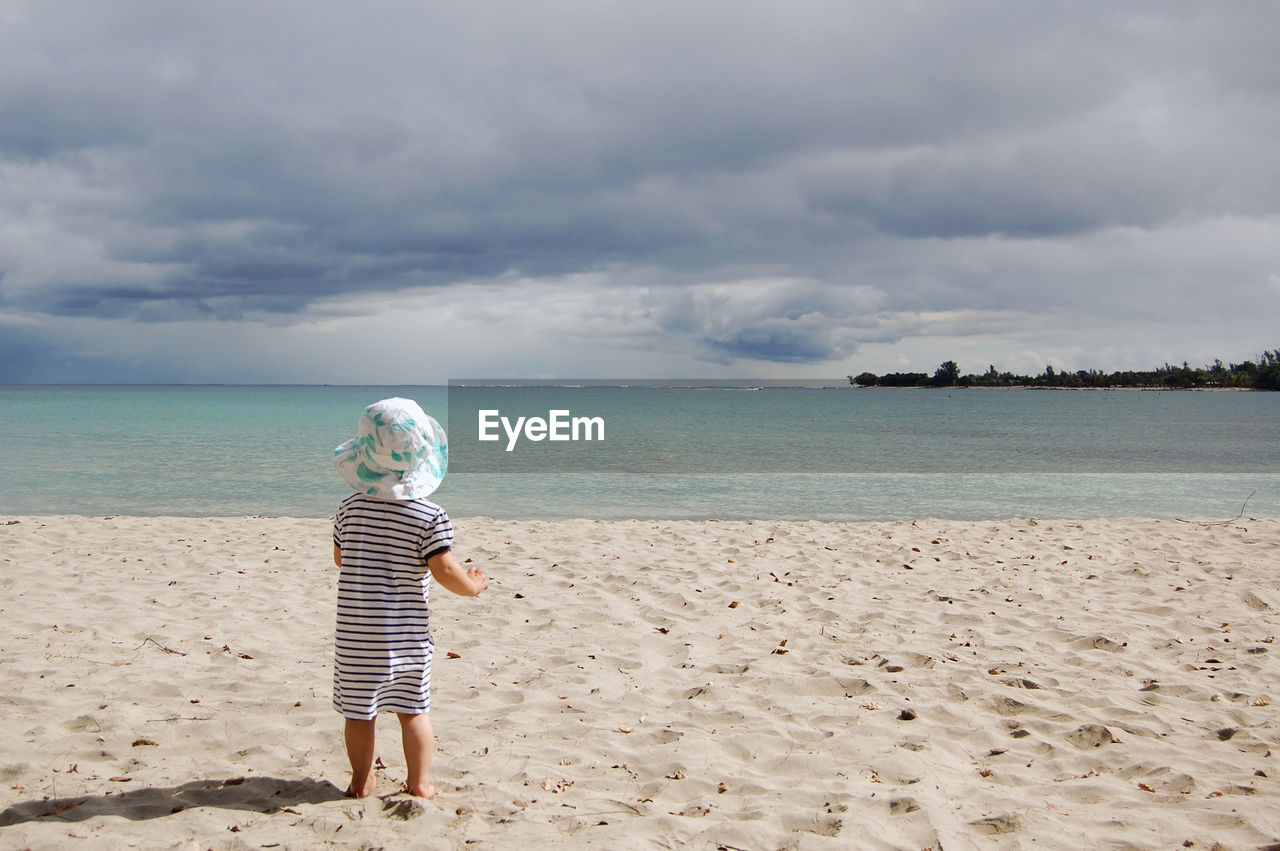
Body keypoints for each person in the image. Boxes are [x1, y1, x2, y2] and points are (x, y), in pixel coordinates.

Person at [331, 397, 488, 799]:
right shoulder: (428, 516)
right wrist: (472, 585)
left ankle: (361, 780)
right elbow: (444, 570)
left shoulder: (348, 508)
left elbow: (340, 558)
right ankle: (419, 783)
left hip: (356, 637)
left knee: (359, 715)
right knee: (413, 711)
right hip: (404, 637)